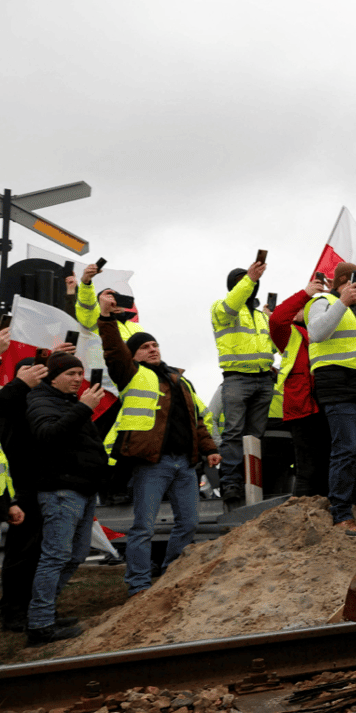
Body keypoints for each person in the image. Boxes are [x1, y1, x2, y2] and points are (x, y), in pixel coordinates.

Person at [99, 316, 221, 597]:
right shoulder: (130, 374)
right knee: (143, 527)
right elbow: (114, 350)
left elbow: (195, 420)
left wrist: (210, 449)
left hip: (185, 463)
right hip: (152, 463)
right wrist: (106, 319)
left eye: (154, 345)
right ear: (133, 355)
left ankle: (170, 575)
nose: (152, 349)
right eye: (144, 347)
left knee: (189, 523)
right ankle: (139, 585)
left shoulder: (180, 380)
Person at [25, 352, 108, 646]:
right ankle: (40, 625)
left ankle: (45, 611)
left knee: (76, 555)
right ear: (53, 376)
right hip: (61, 490)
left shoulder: (69, 402)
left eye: (80, 374)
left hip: (82, 489)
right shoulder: (40, 400)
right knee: (55, 556)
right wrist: (84, 408)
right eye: (70, 374)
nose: (77, 379)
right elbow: (48, 435)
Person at [305, 263, 356, 536]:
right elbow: (317, 333)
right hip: (339, 389)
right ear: (343, 281)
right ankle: (341, 513)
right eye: (355, 281)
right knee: (345, 450)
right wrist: (341, 301)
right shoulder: (323, 302)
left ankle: (353, 504)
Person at [210, 261, 275, 507]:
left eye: (250, 281)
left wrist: (275, 321)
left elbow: (273, 347)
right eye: (241, 281)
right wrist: (250, 278)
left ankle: (251, 480)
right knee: (234, 433)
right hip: (236, 378)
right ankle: (231, 482)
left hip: (263, 379)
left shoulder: (261, 317)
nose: (249, 284)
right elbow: (233, 303)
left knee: (255, 436)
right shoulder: (221, 308)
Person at [268, 276, 331, 497]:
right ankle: (302, 512)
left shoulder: (325, 330)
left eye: (304, 307)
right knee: (307, 469)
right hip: (303, 407)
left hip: (326, 403)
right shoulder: (289, 333)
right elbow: (277, 319)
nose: (299, 310)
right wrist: (305, 294)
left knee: (327, 465)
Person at [0, 357, 50, 632]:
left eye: (39, 370)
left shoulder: (43, 402)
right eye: (26, 371)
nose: (34, 375)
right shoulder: (10, 401)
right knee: (21, 553)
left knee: (40, 552)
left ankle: (35, 608)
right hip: (20, 488)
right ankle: (13, 612)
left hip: (44, 484)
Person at [74, 263, 145, 339]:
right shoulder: (94, 320)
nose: (115, 305)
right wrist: (86, 283)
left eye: (118, 301)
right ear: (100, 306)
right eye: (109, 303)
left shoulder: (136, 326)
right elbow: (87, 303)